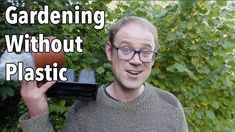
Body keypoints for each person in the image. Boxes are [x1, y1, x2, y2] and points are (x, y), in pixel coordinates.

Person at [19, 16, 188, 132]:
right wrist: (38, 115)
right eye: (126, 49)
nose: (136, 60)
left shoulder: (170, 106)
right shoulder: (82, 111)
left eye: (145, 52)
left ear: (153, 58)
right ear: (109, 51)